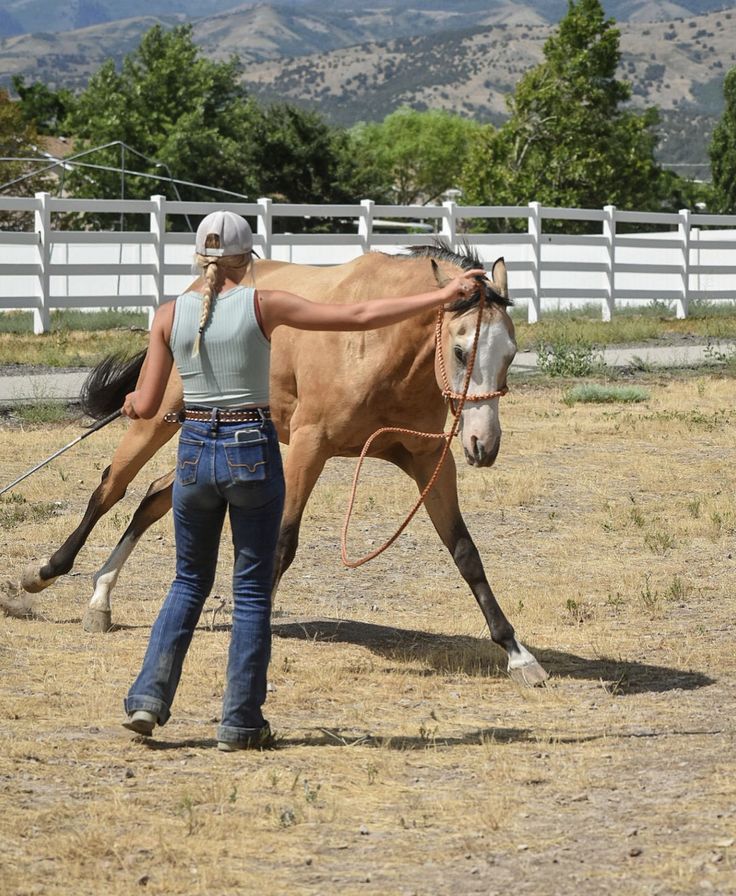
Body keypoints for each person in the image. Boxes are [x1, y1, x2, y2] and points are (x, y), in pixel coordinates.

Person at [120, 210, 485, 751]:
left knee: (187, 582)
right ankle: (240, 722)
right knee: (249, 590)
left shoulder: (169, 315)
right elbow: (361, 315)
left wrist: (131, 401)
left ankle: (149, 699)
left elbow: (147, 405)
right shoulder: (266, 304)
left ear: (200, 258)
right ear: (249, 260)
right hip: (249, 451)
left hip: (195, 454)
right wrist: (441, 296)